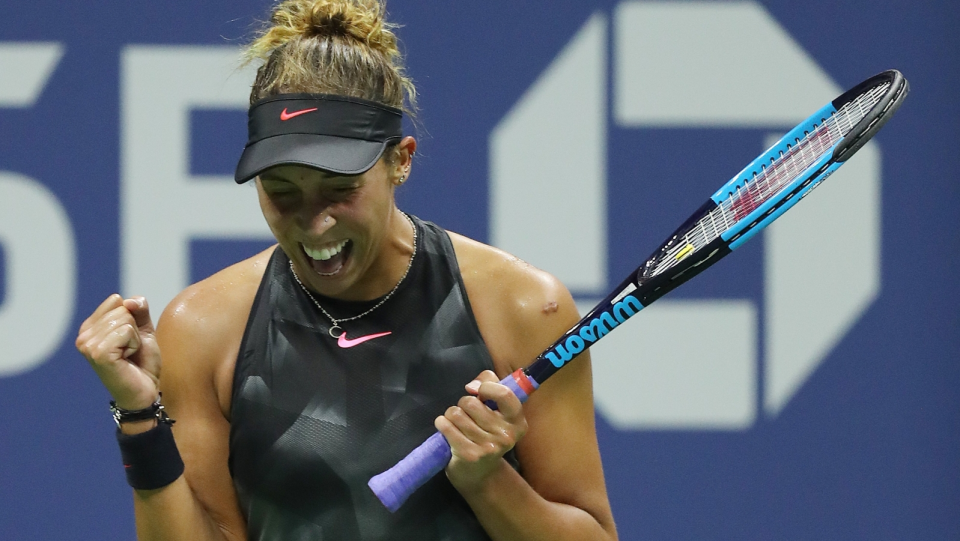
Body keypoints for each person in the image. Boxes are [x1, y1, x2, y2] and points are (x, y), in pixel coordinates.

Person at [76, 1, 618, 539]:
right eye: (282, 193)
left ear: (400, 160)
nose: (314, 225)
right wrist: (140, 415)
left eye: (341, 191)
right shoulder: (202, 328)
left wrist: (488, 481)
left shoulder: (522, 308)